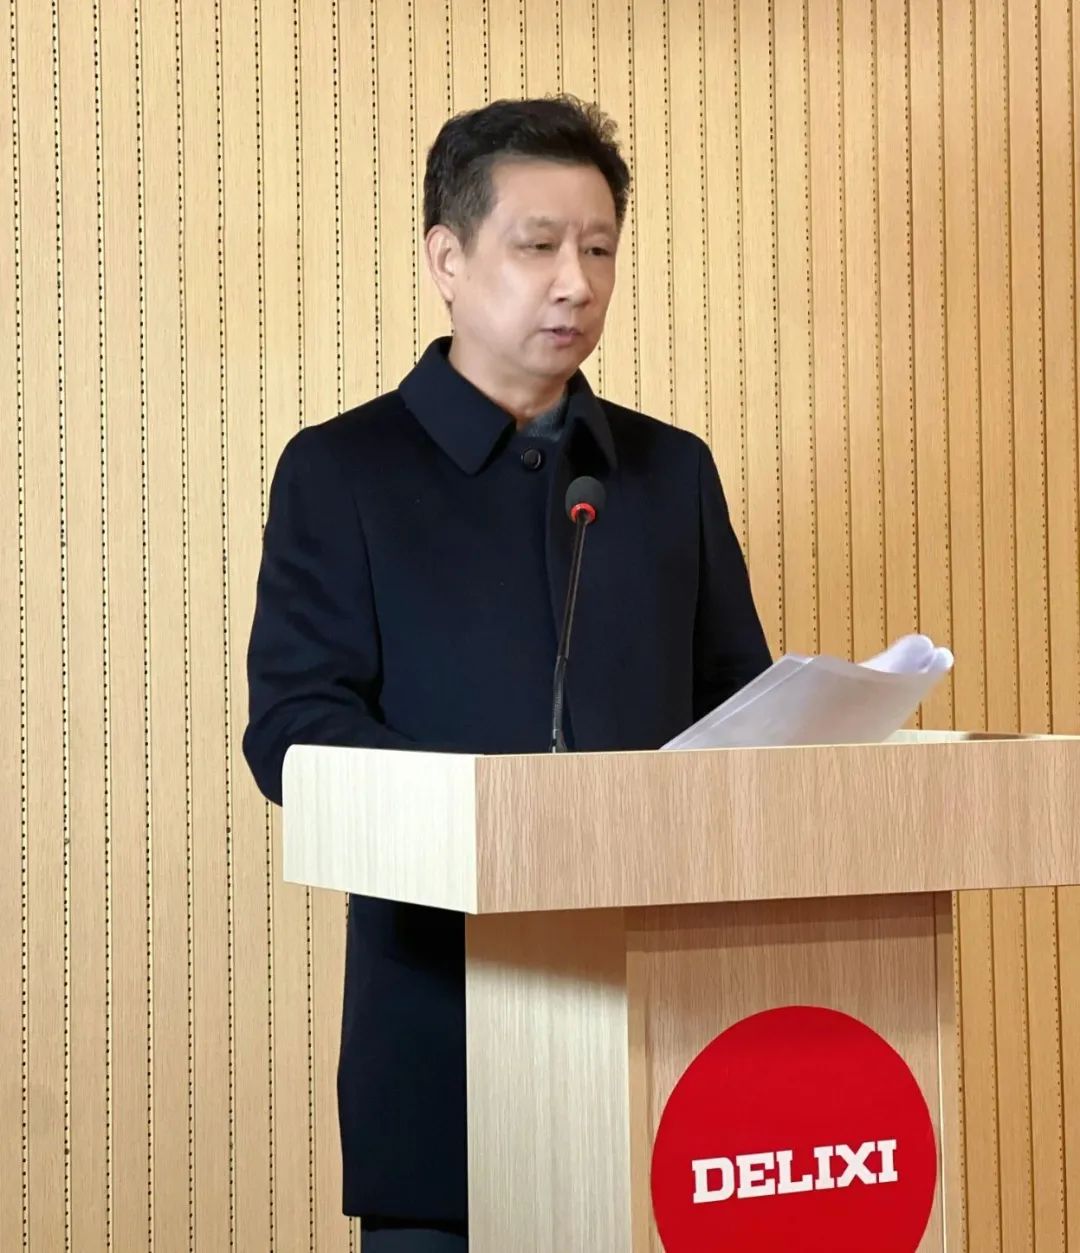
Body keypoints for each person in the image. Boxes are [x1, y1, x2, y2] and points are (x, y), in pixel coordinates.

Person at [242, 95, 771, 1252]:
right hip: (443, 1027)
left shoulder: (669, 473)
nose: (575, 282)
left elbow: (740, 708)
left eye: (599, 249)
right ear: (447, 258)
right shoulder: (343, 472)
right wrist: (491, 812)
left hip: (665, 1027)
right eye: (538, 246)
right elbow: (293, 727)